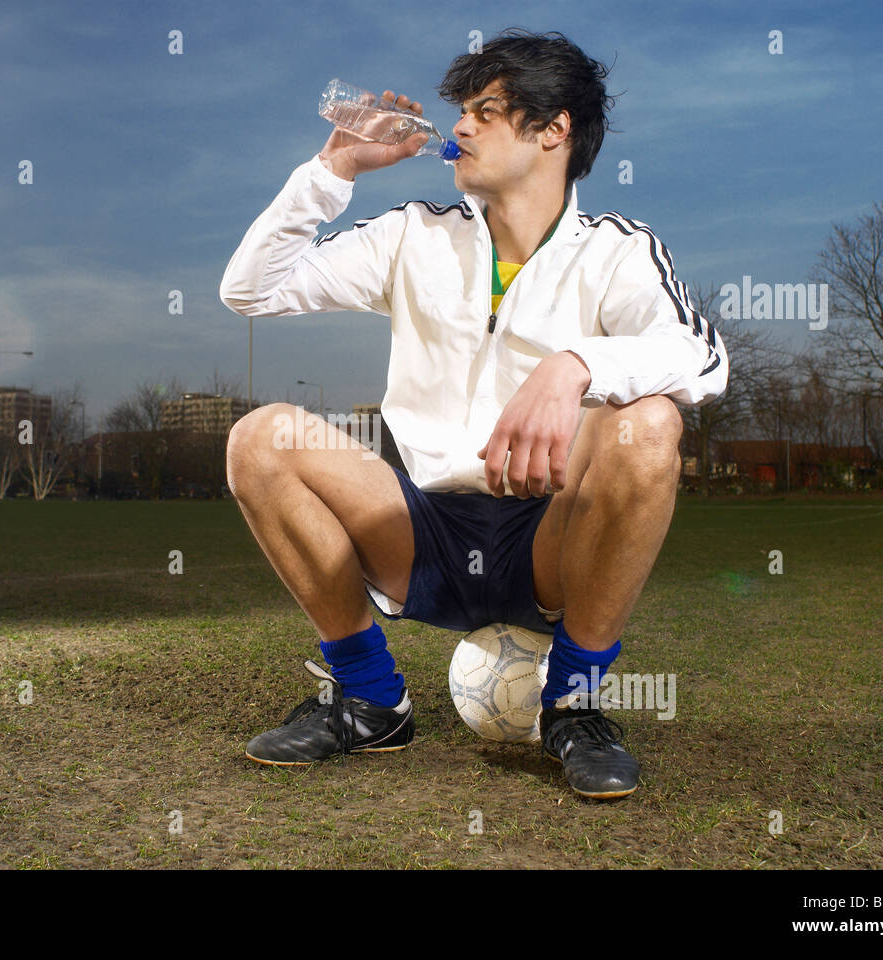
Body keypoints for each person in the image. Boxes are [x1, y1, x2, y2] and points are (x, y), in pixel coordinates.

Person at [218, 29, 728, 799]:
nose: (458, 129)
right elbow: (251, 292)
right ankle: (369, 699)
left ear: (554, 128)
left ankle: (575, 705)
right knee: (261, 440)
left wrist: (577, 365)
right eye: (462, 111)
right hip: (422, 529)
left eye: (487, 111)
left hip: (548, 534)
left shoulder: (616, 250)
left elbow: (704, 357)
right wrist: (335, 169)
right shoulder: (411, 235)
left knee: (649, 422)